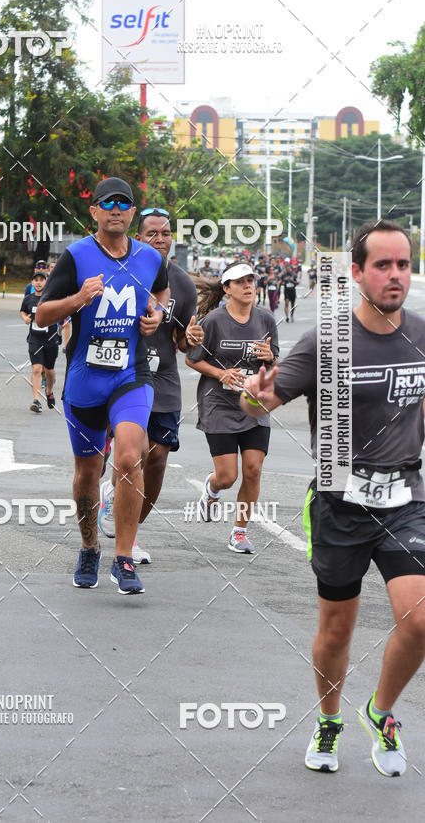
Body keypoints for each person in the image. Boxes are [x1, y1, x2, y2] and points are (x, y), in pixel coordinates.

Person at [242, 219, 425, 777]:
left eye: (403, 264)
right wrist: (254, 395)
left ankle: (381, 710)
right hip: (340, 503)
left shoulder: (421, 333)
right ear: (356, 273)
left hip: (406, 498)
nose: (395, 275)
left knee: (419, 621)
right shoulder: (327, 341)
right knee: (336, 629)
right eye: (383, 265)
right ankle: (329, 719)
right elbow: (263, 402)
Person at [36, 177, 169, 595]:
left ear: (132, 213)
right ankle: (90, 546)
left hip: (131, 373)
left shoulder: (149, 257)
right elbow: (42, 315)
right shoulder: (76, 256)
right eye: (107, 203)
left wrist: (158, 314)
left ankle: (124, 557)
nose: (115, 209)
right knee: (86, 474)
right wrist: (77, 300)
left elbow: (161, 292)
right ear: (93, 211)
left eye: (124, 203)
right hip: (84, 378)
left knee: (131, 455)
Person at [97, 207, 203, 564]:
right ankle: (113, 497)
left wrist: (189, 338)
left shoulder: (183, 284)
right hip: (126, 374)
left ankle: (132, 532)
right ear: (138, 237)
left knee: (158, 459)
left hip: (166, 378)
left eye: (166, 233)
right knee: (137, 451)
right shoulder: (121, 273)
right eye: (153, 233)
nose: (161, 239)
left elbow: (183, 342)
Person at [186, 262, 278, 552]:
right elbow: (192, 358)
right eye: (240, 282)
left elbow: (274, 362)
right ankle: (212, 490)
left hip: (253, 405)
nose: (248, 285)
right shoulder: (213, 320)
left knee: (253, 469)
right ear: (227, 289)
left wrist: (271, 359)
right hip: (219, 403)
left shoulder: (265, 319)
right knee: (228, 476)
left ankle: (239, 531)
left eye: (251, 280)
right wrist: (221, 373)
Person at [19, 270, 60, 412]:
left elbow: (61, 312)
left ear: (46, 282)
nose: (38, 282)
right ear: (32, 283)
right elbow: (23, 311)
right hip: (35, 338)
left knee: (49, 370)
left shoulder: (53, 298)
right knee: (36, 368)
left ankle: (49, 391)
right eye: (35, 280)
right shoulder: (28, 299)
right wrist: (25, 318)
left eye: (41, 280)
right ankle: (36, 399)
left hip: (50, 338)